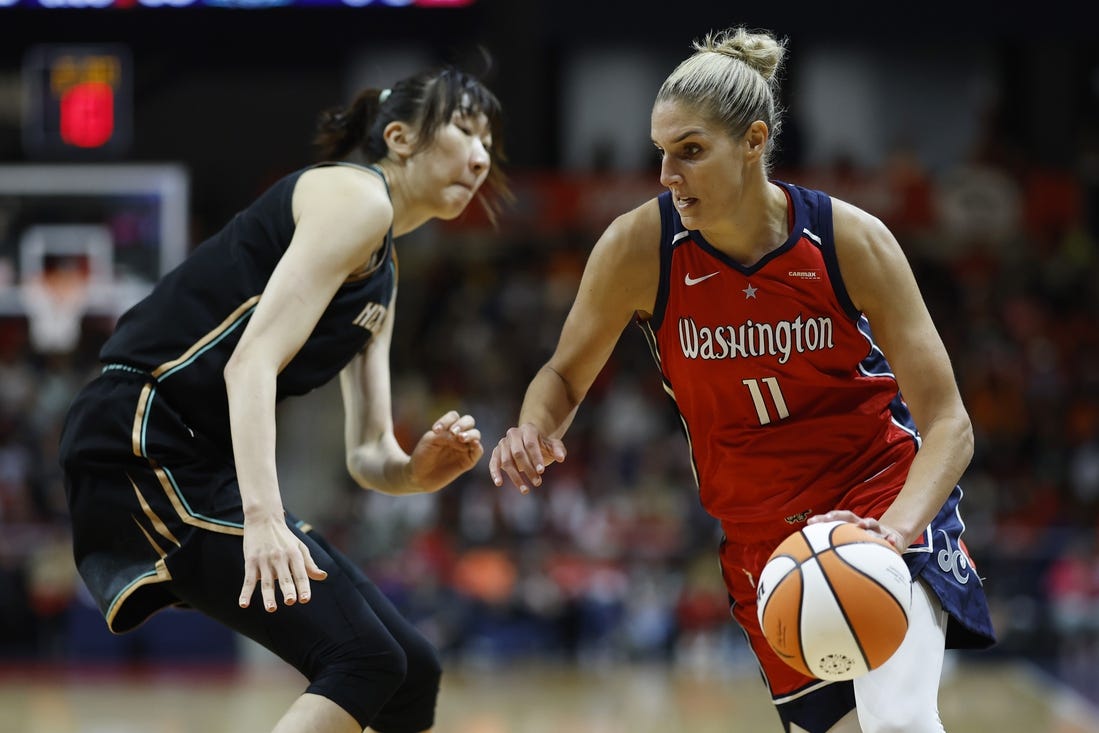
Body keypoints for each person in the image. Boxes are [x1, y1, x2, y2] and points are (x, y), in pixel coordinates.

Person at [489, 27, 995, 733]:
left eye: (690, 151)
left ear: (753, 141)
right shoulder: (637, 248)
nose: (668, 174)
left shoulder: (849, 239)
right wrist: (531, 428)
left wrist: (890, 531)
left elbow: (949, 425)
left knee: (899, 720)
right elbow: (563, 375)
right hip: (762, 541)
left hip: (877, 502)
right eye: (661, 153)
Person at [59, 65, 508, 733]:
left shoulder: (382, 272)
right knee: (362, 659)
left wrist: (418, 469)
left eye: (489, 142)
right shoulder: (356, 199)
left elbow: (367, 453)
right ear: (400, 137)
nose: (481, 156)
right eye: (465, 130)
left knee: (409, 670)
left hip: (196, 453)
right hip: (142, 431)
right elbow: (251, 364)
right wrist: (265, 519)